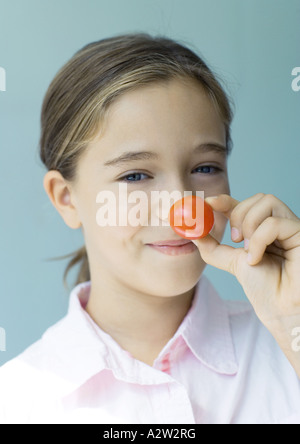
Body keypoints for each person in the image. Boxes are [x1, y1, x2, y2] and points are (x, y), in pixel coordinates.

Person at [0, 33, 300, 424]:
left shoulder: (284, 345)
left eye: (205, 168)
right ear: (66, 198)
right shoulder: (18, 400)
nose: (181, 206)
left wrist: (292, 320)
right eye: (136, 175)